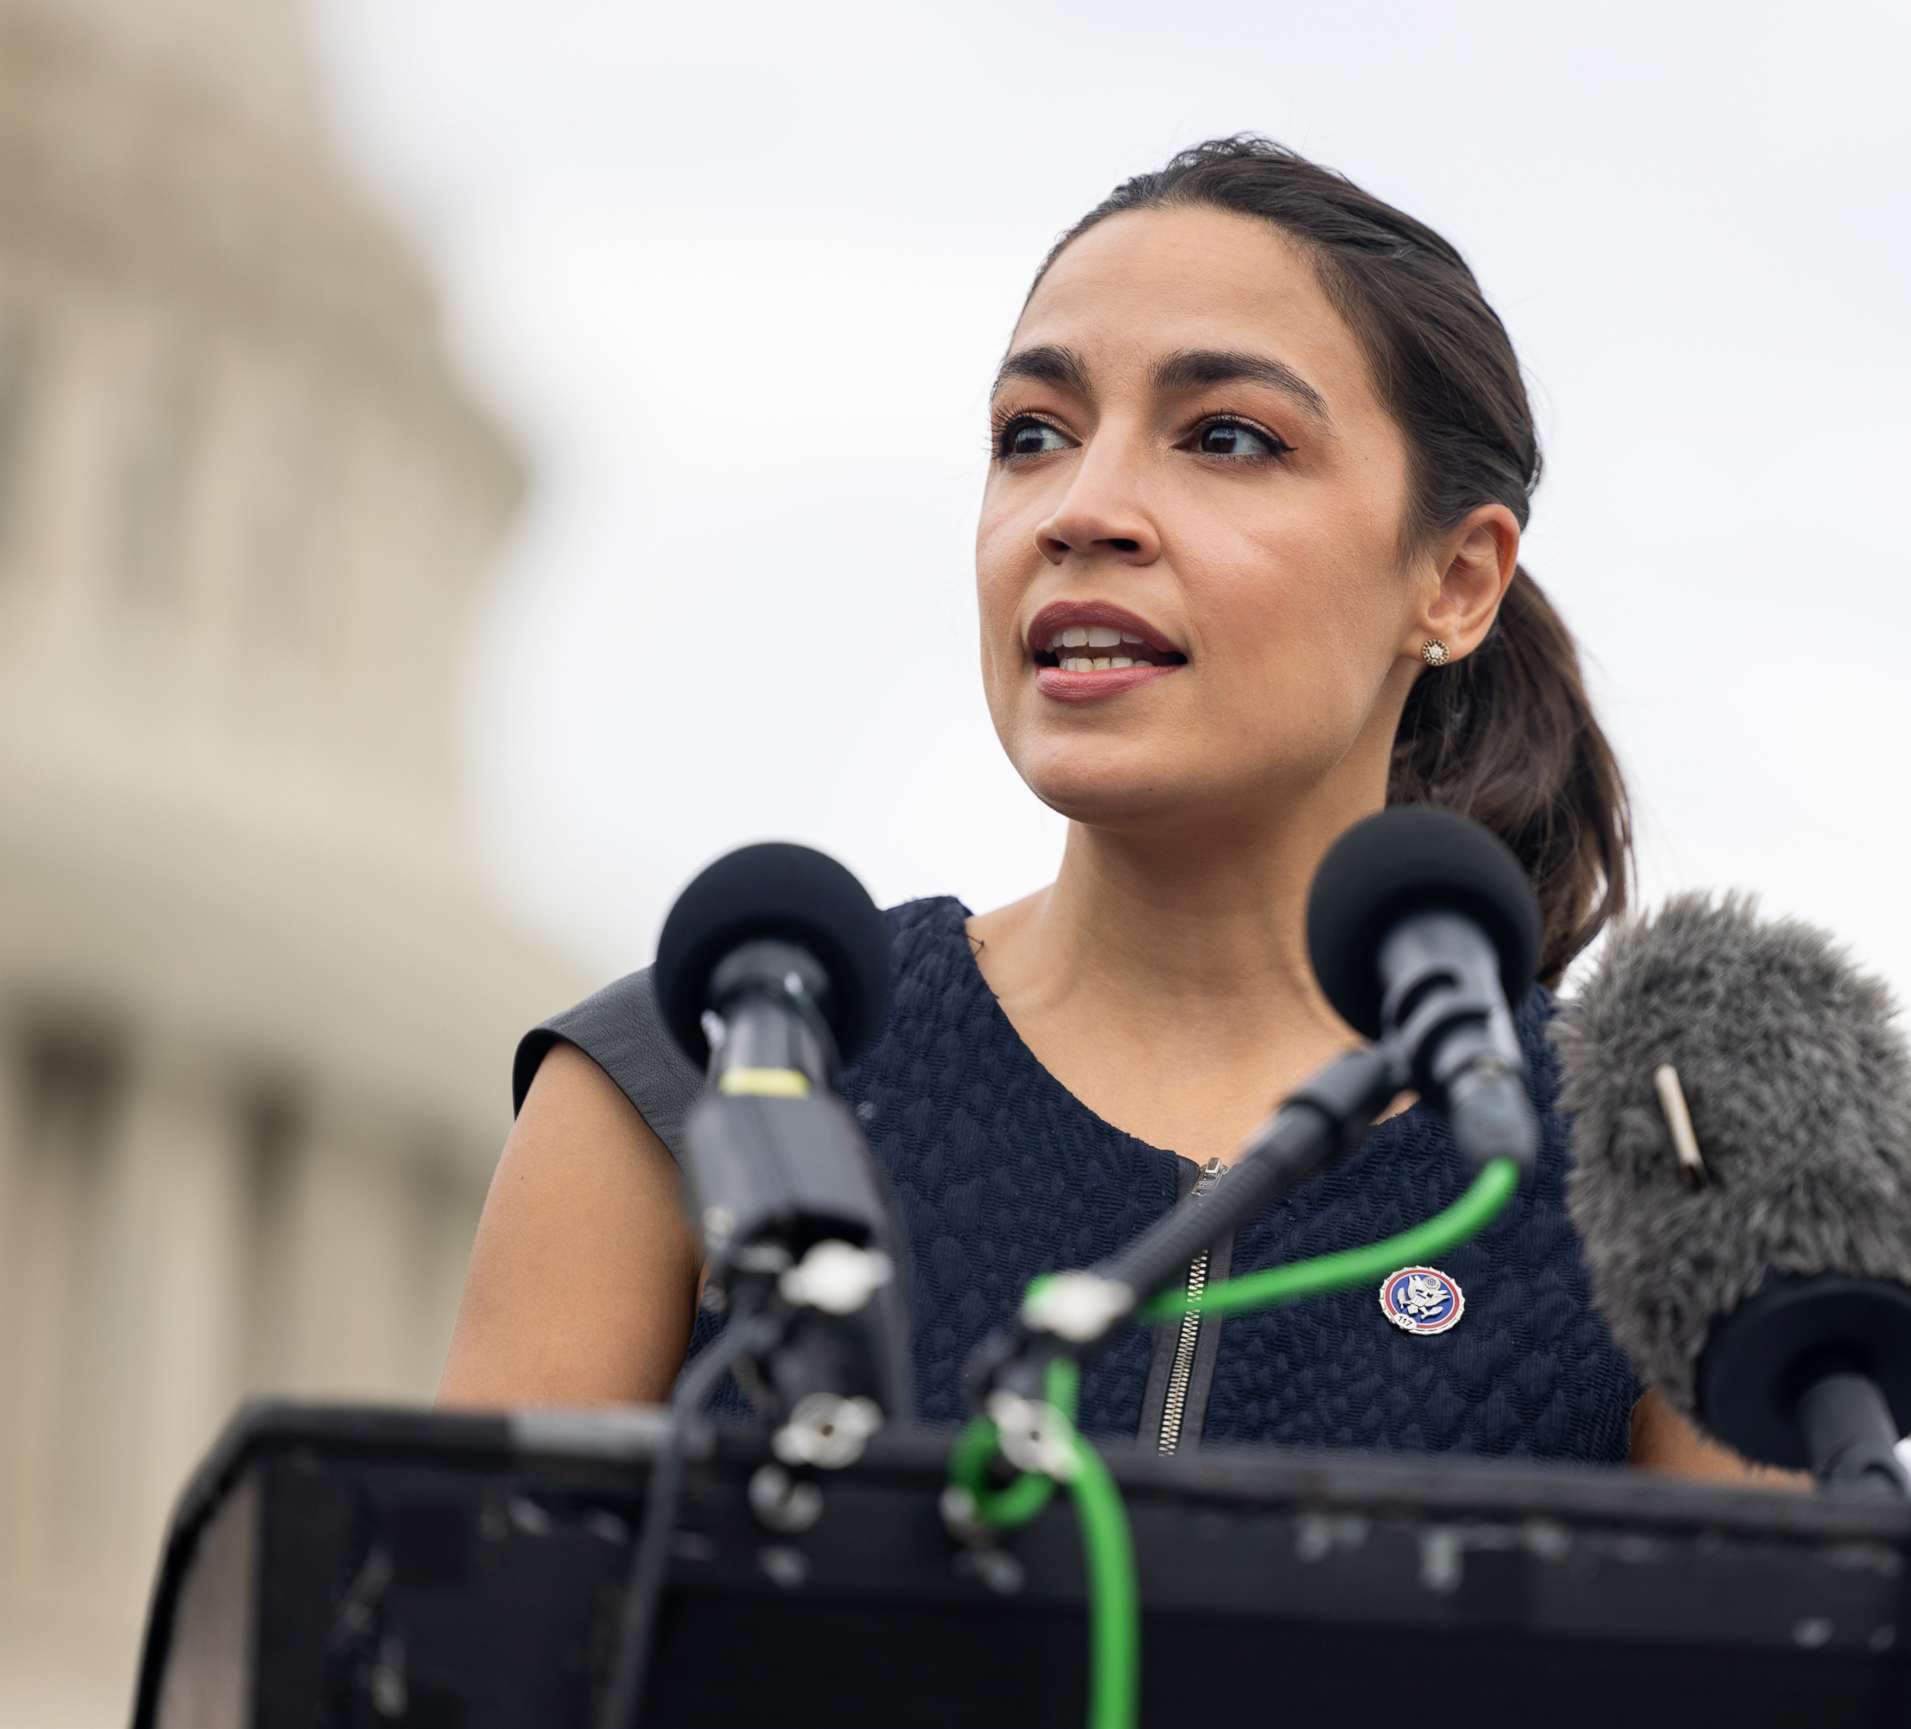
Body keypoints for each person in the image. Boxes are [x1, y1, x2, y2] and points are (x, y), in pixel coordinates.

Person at [437, 135, 1773, 1479]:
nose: (1083, 509)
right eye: (1034, 436)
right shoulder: (694, 1079)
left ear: (1458, 583)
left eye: (1228, 438)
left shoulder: (1671, 1196)